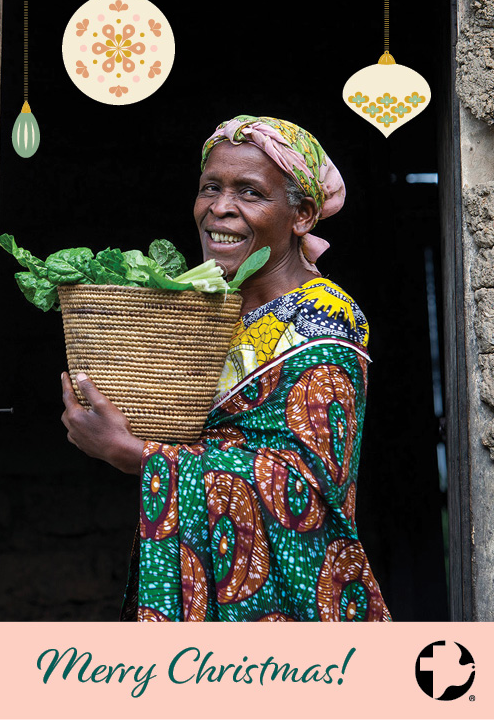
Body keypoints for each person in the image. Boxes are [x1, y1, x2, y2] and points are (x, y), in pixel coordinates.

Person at [61, 114, 391, 622]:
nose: (220, 208)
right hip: (202, 577)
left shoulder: (325, 319)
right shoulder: (207, 310)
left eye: (250, 193)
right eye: (210, 187)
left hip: (288, 604)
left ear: (302, 214)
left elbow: (305, 489)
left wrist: (137, 457)